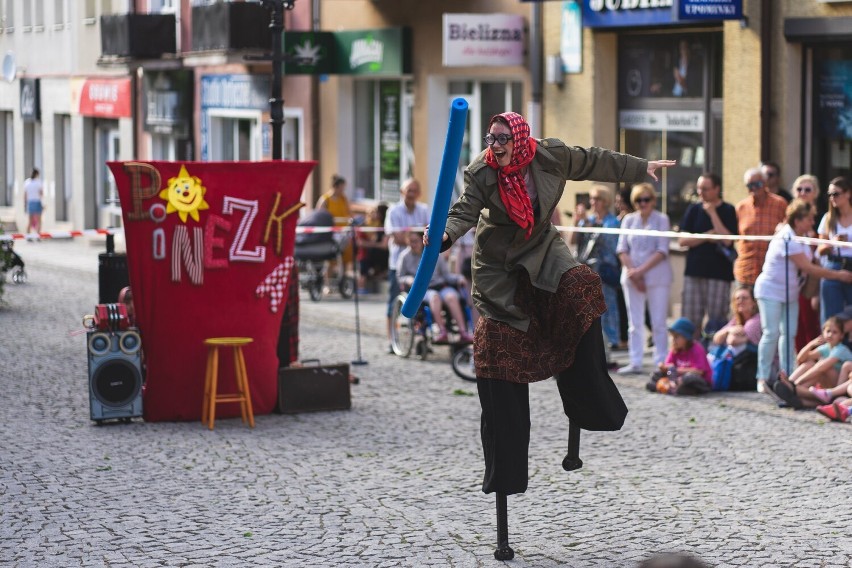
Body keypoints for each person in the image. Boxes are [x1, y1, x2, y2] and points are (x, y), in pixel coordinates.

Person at [427, 112, 674, 530]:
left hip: (542, 251)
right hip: (500, 268)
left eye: (502, 138)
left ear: (520, 138)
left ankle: (587, 402)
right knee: (497, 355)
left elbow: (594, 160)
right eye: (491, 138)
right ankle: (505, 477)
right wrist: (445, 236)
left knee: (582, 288)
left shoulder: (550, 155)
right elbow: (464, 211)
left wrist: (640, 168)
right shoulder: (483, 171)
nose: (496, 145)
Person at [753, 200, 852, 394]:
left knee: (789, 334)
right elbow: (808, 267)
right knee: (771, 333)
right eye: (809, 218)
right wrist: (839, 275)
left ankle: (787, 376)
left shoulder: (803, 236)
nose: (813, 221)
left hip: (789, 292)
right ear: (798, 220)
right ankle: (762, 377)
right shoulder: (787, 236)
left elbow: (813, 259)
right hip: (770, 291)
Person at [616, 183, 673, 373]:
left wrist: (641, 271)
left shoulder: (662, 219)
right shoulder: (628, 220)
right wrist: (634, 272)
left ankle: (661, 361)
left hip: (657, 276)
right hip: (631, 277)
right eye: (639, 200)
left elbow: (662, 249)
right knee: (635, 323)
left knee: (658, 322)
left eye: (646, 199)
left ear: (653, 200)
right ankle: (635, 360)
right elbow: (622, 248)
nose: (643, 203)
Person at [678, 172, 738, 339]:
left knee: (717, 320)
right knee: (690, 319)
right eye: (699, 188)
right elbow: (682, 240)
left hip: (719, 273)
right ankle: (693, 356)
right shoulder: (693, 209)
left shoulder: (728, 210)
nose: (700, 192)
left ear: (716, 189)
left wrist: (713, 214)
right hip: (694, 271)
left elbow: (727, 241)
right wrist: (707, 235)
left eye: (705, 188)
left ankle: (714, 357)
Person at [397, 232, 471, 344]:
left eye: (416, 241)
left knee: (452, 297)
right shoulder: (405, 256)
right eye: (411, 241)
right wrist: (408, 279)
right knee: (435, 297)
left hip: (440, 285)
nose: (413, 244)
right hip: (423, 289)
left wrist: (458, 278)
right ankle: (442, 331)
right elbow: (400, 277)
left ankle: (463, 332)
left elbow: (447, 275)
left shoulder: (435, 254)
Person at [571, 185, 622, 349]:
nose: (593, 202)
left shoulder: (612, 222)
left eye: (597, 199)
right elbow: (573, 240)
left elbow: (608, 242)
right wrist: (576, 222)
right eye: (591, 199)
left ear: (606, 202)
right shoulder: (588, 220)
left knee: (608, 305)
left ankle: (613, 340)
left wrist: (587, 224)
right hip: (588, 270)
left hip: (605, 269)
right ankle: (594, 341)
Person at [385, 178, 429, 353]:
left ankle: (421, 336)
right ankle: (391, 339)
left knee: (423, 303)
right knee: (392, 303)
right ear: (402, 192)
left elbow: (429, 232)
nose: (411, 194)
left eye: (414, 191)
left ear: (418, 193)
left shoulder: (424, 209)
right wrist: (416, 239)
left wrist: (414, 238)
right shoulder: (393, 210)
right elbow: (395, 236)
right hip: (398, 263)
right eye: (408, 190)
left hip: (420, 263)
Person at [771, 316, 852, 410]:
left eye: (835, 332)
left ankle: (794, 387)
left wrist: (797, 382)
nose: (830, 335)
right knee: (809, 364)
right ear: (823, 333)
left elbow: (823, 367)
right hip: (828, 387)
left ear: (841, 335)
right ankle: (798, 399)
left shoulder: (841, 349)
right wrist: (811, 344)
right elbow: (801, 359)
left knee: (824, 368)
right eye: (828, 331)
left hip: (839, 387)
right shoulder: (825, 348)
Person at [733, 167, 788, 288]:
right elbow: (734, 236)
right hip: (745, 271)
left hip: (770, 272)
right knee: (742, 306)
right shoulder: (741, 207)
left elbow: (789, 233)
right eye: (749, 185)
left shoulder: (780, 204)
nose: (753, 188)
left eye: (757, 184)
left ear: (765, 183)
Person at [790, 174, 822, 351]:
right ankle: (800, 367)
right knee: (796, 326)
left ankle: (814, 367)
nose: (802, 193)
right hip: (792, 277)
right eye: (799, 189)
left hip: (813, 279)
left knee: (811, 324)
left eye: (807, 189)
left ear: (815, 193)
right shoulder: (788, 219)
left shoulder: (821, 218)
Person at [817, 176, 852, 325]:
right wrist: (832, 243)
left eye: (836, 194)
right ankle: (830, 347)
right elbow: (820, 250)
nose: (832, 198)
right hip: (833, 266)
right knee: (831, 318)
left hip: (850, 266)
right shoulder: (828, 218)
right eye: (830, 194)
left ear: (848, 194)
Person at [646, 317, 712, 395]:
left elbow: (699, 371)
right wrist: (663, 367)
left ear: (686, 337)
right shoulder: (675, 349)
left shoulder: (697, 349)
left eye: (676, 337)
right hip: (675, 379)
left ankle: (668, 388)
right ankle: (670, 387)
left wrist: (677, 370)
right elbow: (669, 367)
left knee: (689, 378)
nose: (673, 340)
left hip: (697, 380)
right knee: (656, 374)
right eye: (672, 337)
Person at [315, 174, 353, 278]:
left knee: (346, 254)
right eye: (342, 188)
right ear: (336, 187)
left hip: (343, 232)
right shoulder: (325, 199)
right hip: (331, 233)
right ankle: (327, 283)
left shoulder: (343, 199)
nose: (343, 190)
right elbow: (319, 216)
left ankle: (343, 279)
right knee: (330, 258)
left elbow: (349, 213)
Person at [355, 203, 388, 294]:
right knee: (363, 273)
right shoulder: (364, 226)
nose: (375, 215)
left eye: (376, 213)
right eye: (372, 213)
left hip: (368, 254)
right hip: (363, 254)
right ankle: (360, 288)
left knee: (364, 272)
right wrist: (376, 244)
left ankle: (361, 287)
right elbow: (360, 242)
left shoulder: (378, 226)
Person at [24, 168, 44, 237]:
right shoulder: (38, 182)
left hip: (30, 202)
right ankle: (38, 235)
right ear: (37, 174)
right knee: (39, 220)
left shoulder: (27, 182)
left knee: (30, 221)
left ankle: (28, 236)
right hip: (37, 202)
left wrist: (25, 204)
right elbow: (41, 194)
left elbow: (25, 195)